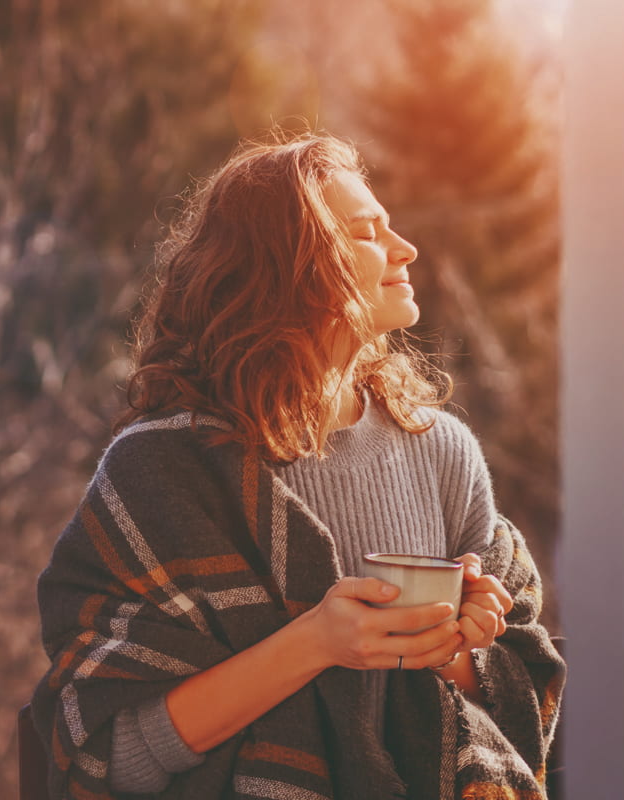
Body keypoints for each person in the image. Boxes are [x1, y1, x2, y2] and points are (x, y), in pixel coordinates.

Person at [30, 134, 565, 799]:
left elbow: (517, 712)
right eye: (367, 232)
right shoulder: (163, 472)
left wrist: (461, 647)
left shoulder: (441, 451)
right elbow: (113, 754)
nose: (405, 249)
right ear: (287, 267)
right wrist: (315, 643)